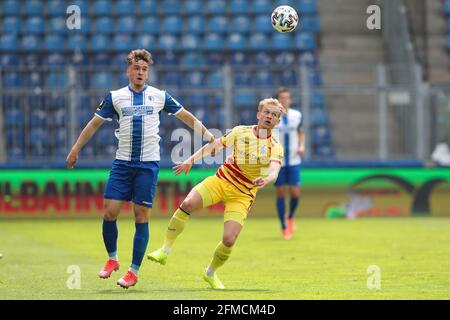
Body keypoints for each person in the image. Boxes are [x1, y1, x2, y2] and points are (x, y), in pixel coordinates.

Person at [66, 49, 215, 289]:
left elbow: (185, 117)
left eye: (144, 69)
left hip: (147, 165)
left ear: (148, 72)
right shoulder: (115, 97)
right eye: (136, 68)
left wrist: (208, 136)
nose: (140, 72)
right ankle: (112, 259)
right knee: (109, 212)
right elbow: (93, 124)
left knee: (141, 216)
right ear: (128, 70)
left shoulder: (159, 96)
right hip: (122, 163)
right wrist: (75, 149)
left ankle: (133, 271)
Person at [147, 98, 285, 289]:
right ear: (258, 114)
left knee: (229, 239)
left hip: (243, 194)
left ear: (278, 122)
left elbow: (274, 171)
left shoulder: (275, 146)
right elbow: (215, 146)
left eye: (275, 115)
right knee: (187, 204)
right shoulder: (240, 131)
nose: (270, 117)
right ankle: (164, 250)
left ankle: (210, 273)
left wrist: (267, 179)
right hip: (221, 180)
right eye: (267, 112)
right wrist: (191, 160)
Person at [273, 87, 305, 240]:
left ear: (290, 99)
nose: (284, 100)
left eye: (287, 97)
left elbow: (300, 131)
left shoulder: (296, 115)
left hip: (293, 160)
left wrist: (301, 145)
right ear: (277, 100)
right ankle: (284, 227)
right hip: (277, 161)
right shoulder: (272, 116)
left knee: (295, 192)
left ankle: (290, 216)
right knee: (280, 193)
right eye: (282, 98)